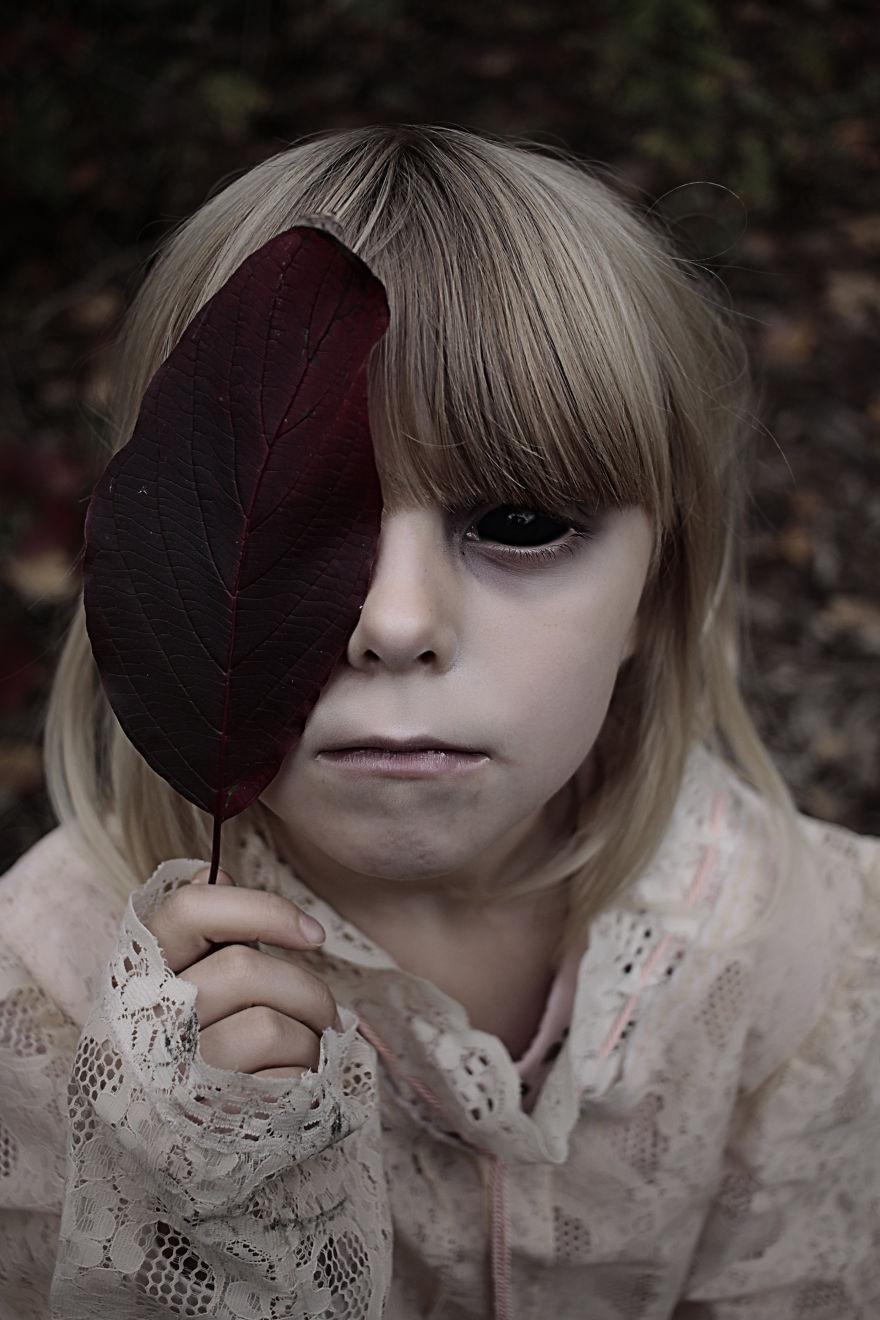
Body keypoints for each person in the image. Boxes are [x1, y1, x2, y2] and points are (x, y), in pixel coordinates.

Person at [0, 125, 877, 1320]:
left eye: (519, 522)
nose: (396, 622)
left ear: (657, 594)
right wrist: (191, 1198)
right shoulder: (44, 997)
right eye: (299, 526)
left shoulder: (814, 962)